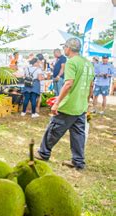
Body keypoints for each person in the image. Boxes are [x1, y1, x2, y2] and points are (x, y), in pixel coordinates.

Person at [36, 38, 94, 170]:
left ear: (68, 48)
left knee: (54, 128)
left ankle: (43, 153)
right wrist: (87, 101)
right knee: (78, 134)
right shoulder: (88, 63)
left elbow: (68, 83)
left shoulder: (71, 62)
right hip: (81, 106)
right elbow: (91, 86)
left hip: (69, 105)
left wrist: (57, 102)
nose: (64, 50)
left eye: (64, 48)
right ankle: (78, 161)